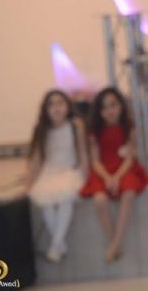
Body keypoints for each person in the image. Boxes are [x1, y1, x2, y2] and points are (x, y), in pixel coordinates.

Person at [80, 87, 148, 262]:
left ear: (121, 106)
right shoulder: (95, 132)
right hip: (103, 170)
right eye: (104, 107)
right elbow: (95, 160)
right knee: (99, 200)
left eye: (113, 105)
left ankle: (116, 243)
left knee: (128, 193)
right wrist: (108, 178)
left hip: (124, 168)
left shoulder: (129, 128)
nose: (109, 111)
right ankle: (114, 242)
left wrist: (117, 177)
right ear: (98, 111)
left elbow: (130, 157)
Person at [25, 89, 88, 262]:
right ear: (45, 109)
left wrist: (86, 175)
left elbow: (82, 152)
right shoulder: (42, 129)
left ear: (68, 106)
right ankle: (59, 245)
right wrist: (29, 184)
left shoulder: (75, 125)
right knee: (46, 202)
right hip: (49, 172)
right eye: (51, 104)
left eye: (60, 103)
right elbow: (37, 159)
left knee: (65, 199)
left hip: (69, 170)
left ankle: (55, 246)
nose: (56, 108)